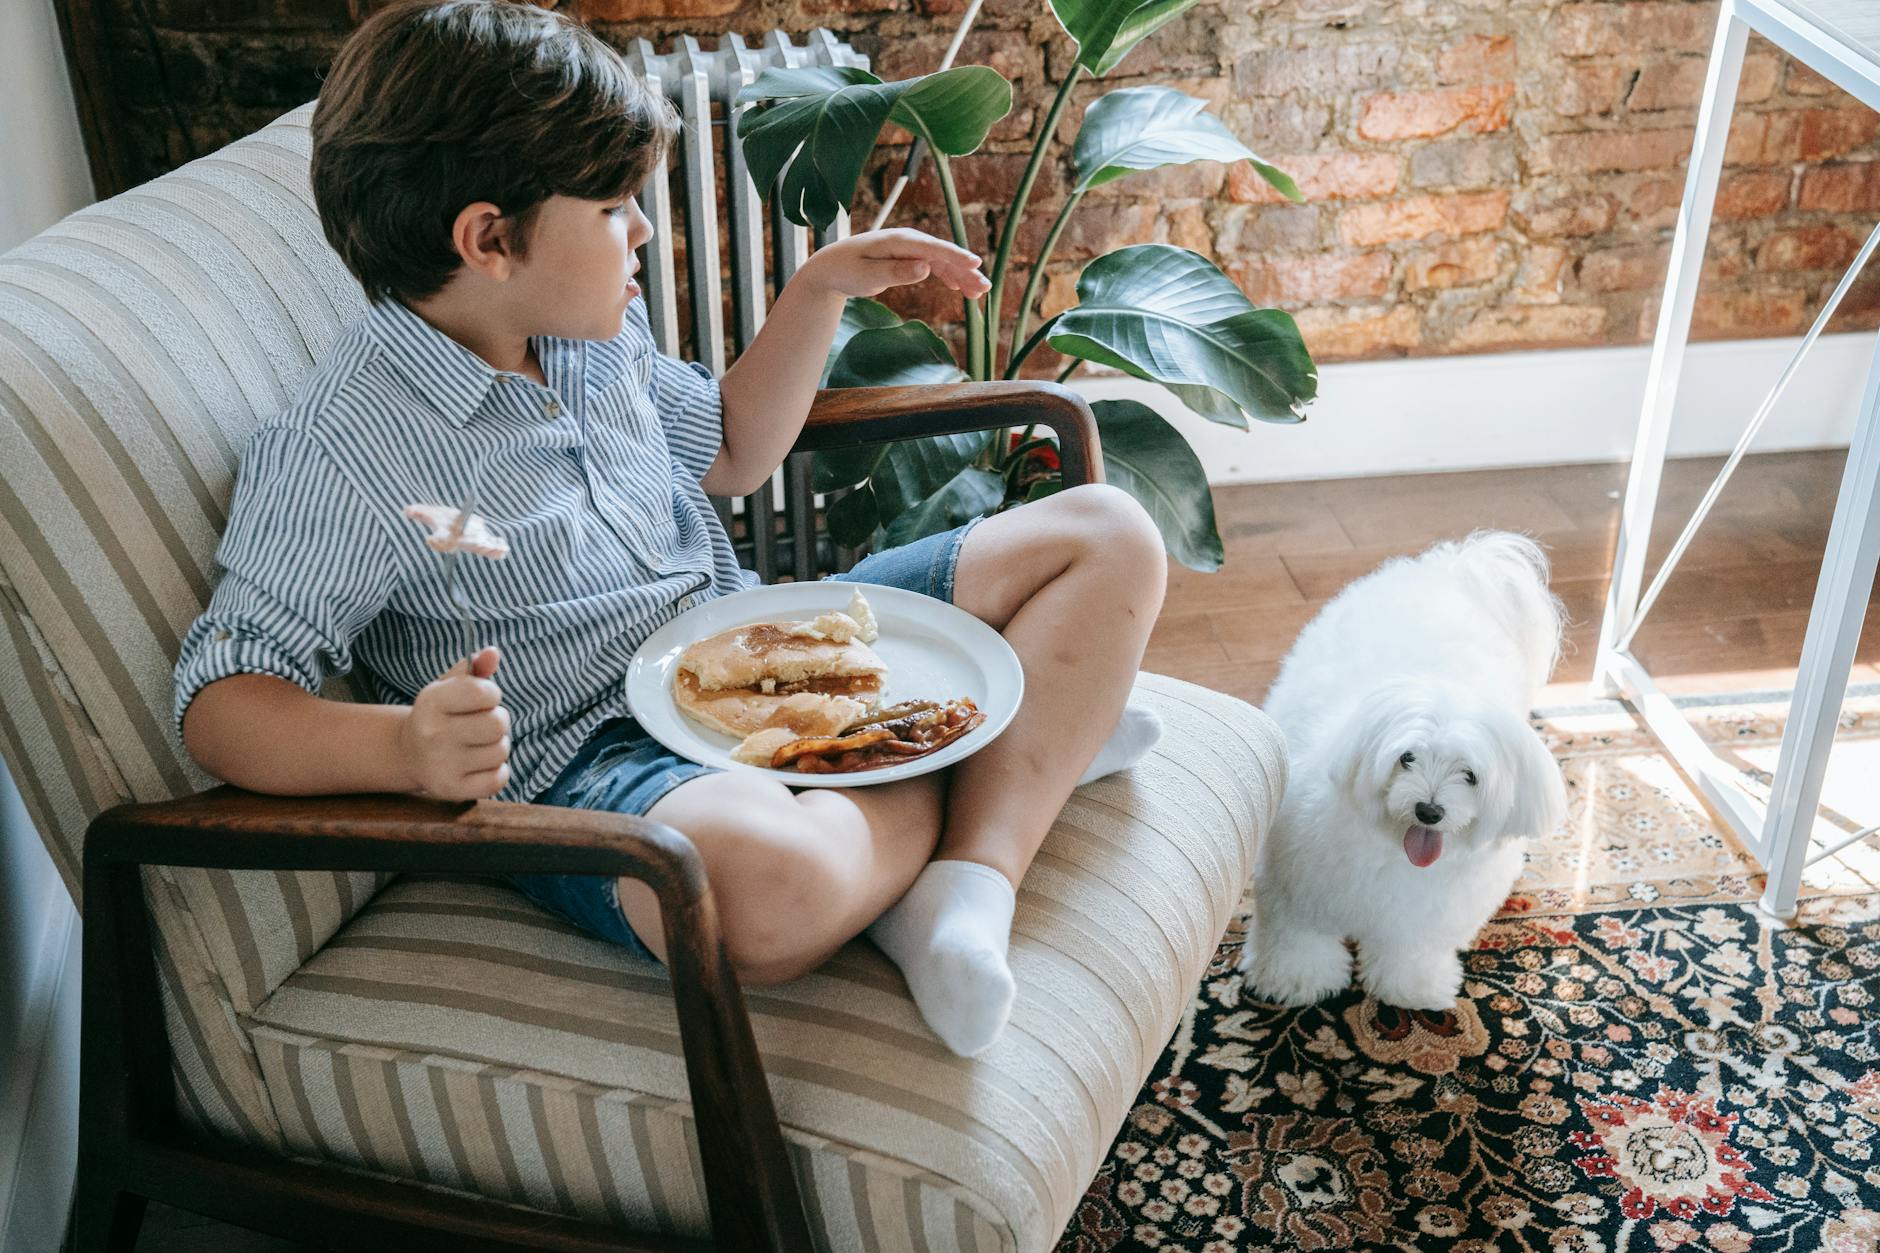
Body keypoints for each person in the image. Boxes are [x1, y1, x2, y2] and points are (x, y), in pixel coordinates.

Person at [175, 0, 1167, 1057]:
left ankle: (963, 881)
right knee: (770, 894)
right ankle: (1010, 770)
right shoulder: (344, 449)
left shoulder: (589, 334)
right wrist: (406, 745)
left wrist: (819, 290)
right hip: (602, 765)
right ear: (488, 239)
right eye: (610, 209)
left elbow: (734, 447)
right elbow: (222, 695)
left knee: (1109, 533)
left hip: (761, 646)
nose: (641, 231)